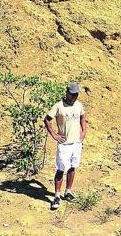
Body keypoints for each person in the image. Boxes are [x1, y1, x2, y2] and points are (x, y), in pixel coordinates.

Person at [44, 82, 87, 210]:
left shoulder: (79, 105)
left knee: (73, 167)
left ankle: (68, 191)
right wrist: (54, 135)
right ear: (67, 92)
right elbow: (47, 119)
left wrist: (83, 132)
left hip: (76, 143)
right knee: (61, 169)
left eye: (76, 94)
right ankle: (57, 195)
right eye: (72, 94)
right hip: (64, 144)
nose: (74, 97)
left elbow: (82, 118)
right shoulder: (58, 106)